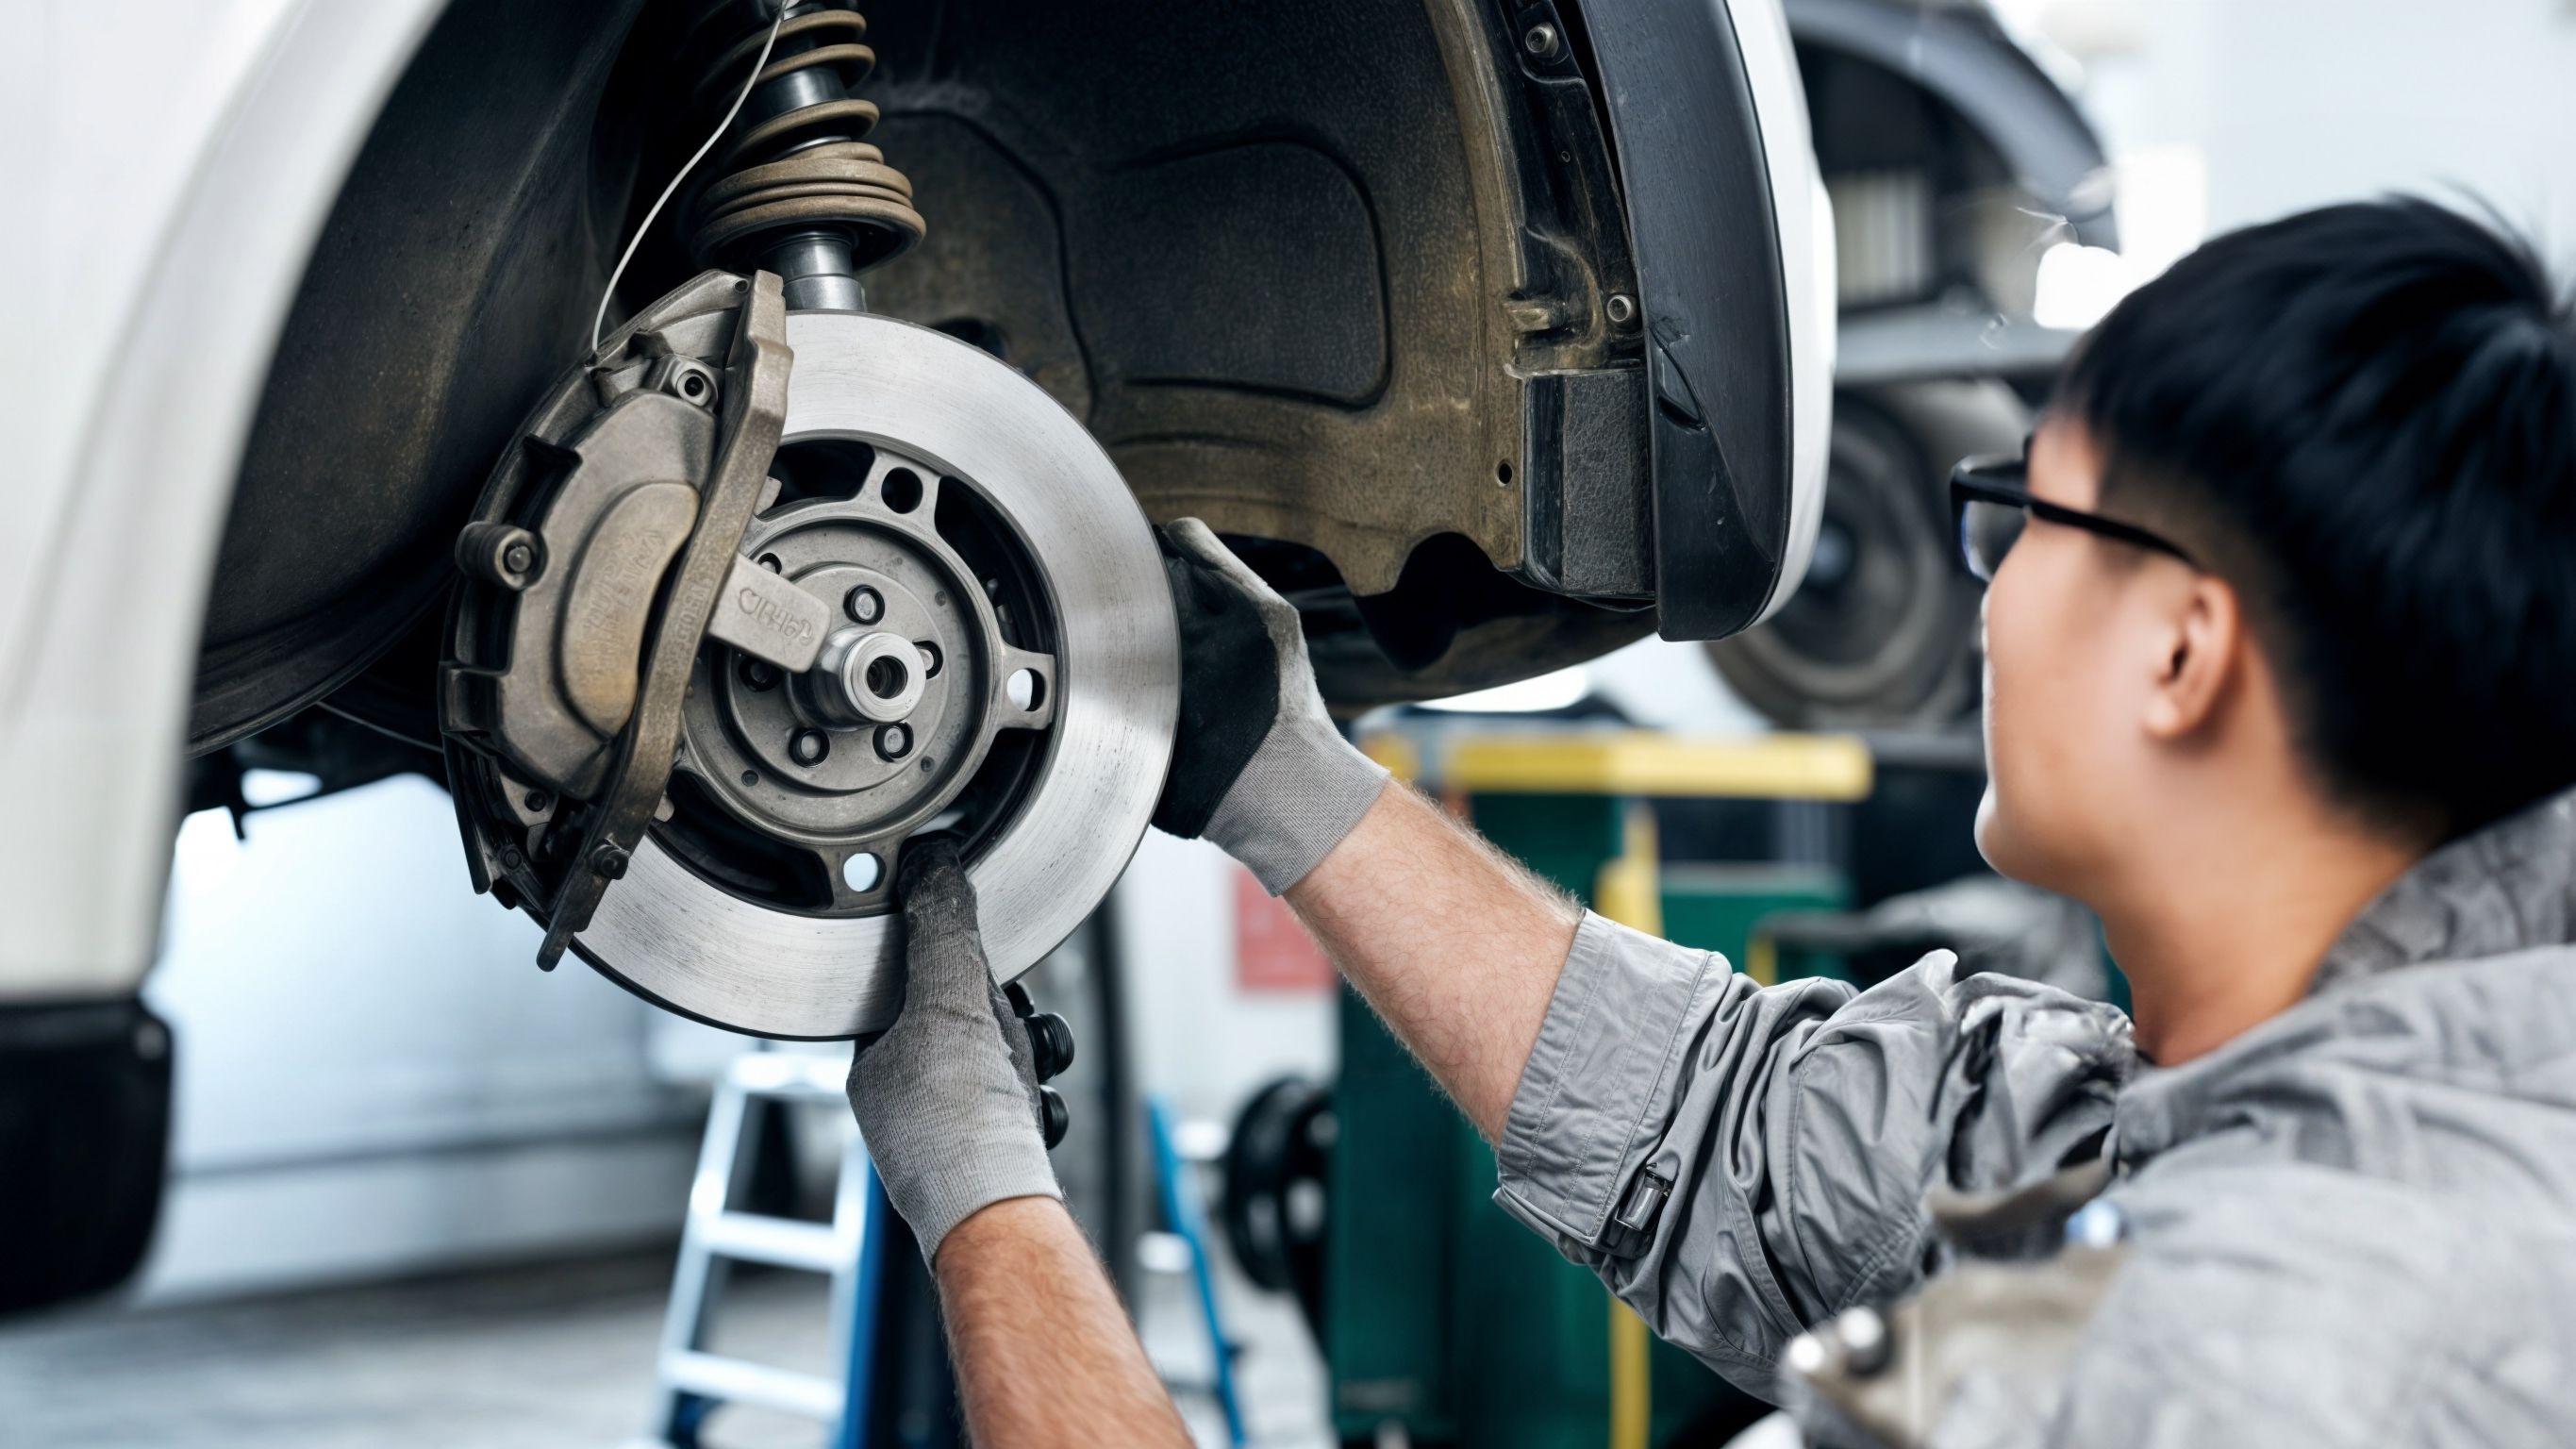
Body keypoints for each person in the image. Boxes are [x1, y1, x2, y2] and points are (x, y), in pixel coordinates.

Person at [843, 196, 2576, 1447]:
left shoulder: (2188, 1373)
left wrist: (985, 1190)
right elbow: (1731, 1135)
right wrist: (1283, 775)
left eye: (2024, 515)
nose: (1985, 594)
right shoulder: (2361, 1102)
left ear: (2186, 649)